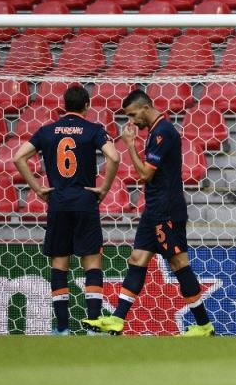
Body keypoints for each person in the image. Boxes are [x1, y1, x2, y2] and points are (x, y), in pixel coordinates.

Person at [83, 89, 215, 337]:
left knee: (179, 264)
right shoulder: (156, 132)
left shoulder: (163, 133)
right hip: (153, 210)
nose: (131, 121)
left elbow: (144, 174)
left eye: (133, 115)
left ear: (145, 107)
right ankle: (117, 320)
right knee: (137, 259)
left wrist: (131, 146)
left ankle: (204, 325)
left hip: (165, 210)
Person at [13, 85, 120, 335]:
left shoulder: (47, 131)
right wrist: (103, 188)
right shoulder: (93, 129)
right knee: (92, 263)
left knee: (60, 264)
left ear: (64, 105)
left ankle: (62, 329)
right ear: (86, 105)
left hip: (58, 204)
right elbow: (114, 158)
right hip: (85, 202)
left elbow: (18, 157)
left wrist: (39, 189)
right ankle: (93, 327)